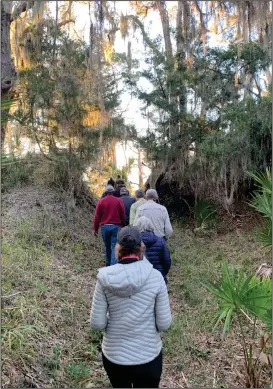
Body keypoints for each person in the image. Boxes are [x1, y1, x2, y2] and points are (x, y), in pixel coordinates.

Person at [90, 226, 172, 388]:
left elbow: (97, 324)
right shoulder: (155, 277)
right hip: (148, 356)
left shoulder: (104, 278)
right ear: (142, 248)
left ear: (118, 248)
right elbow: (164, 324)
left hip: (115, 356)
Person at [93, 185, 126, 266]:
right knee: (114, 246)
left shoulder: (101, 201)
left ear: (106, 192)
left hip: (104, 227)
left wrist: (95, 228)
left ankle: (107, 263)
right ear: (113, 191)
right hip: (116, 227)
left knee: (107, 245)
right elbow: (122, 214)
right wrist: (123, 225)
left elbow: (97, 216)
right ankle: (113, 265)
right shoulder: (118, 201)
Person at [135, 216, 171, 284]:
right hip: (158, 275)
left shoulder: (134, 242)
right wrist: (163, 273)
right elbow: (167, 260)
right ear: (151, 226)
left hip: (140, 277)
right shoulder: (160, 241)